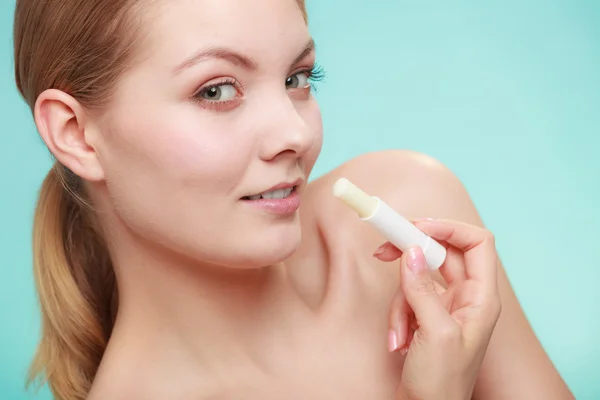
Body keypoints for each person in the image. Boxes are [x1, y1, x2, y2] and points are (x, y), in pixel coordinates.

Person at [13, 0, 573, 399]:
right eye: (216, 90)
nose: (296, 135)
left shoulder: (405, 210)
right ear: (75, 134)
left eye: (299, 78)